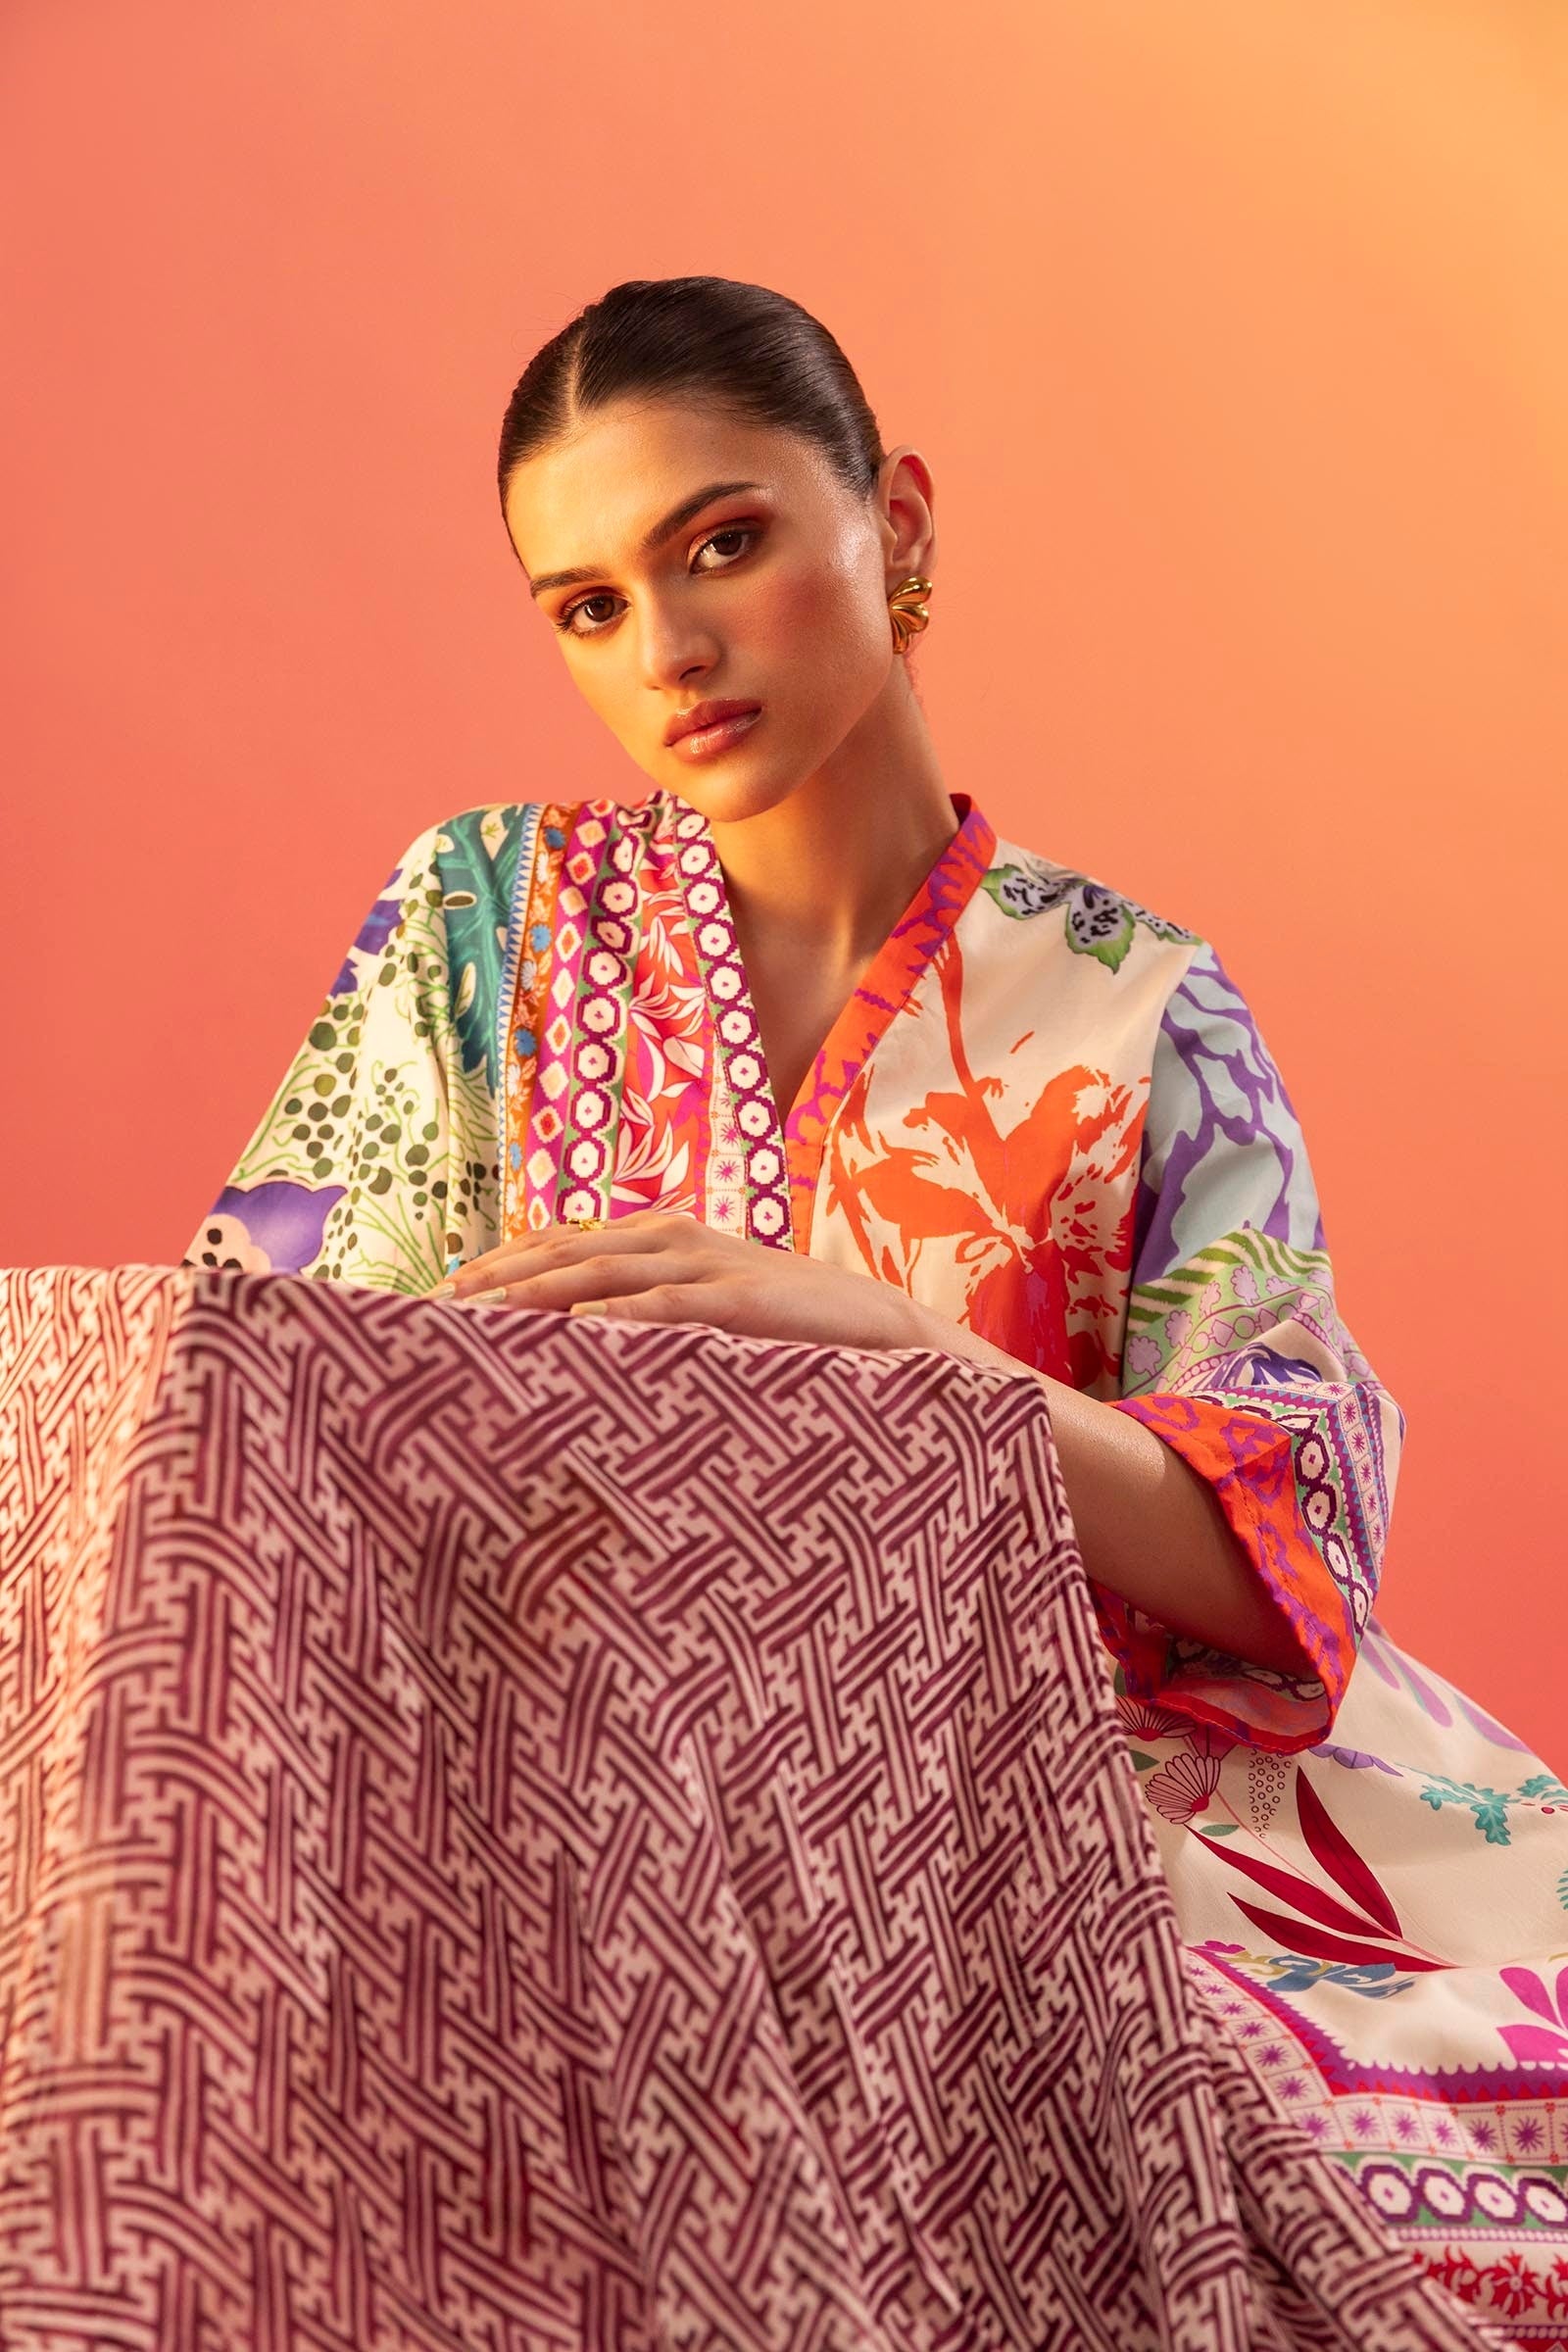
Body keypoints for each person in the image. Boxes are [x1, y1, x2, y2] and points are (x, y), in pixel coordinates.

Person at [184, 275, 1568, 2340]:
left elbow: (1274, 1558)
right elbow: (257, 1402)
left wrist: (901, 1355)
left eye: (722, 542)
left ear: (894, 523)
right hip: (565, 1775)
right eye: (586, 605)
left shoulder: (1137, 1009)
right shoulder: (480, 930)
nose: (666, 651)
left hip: (1053, 1807)